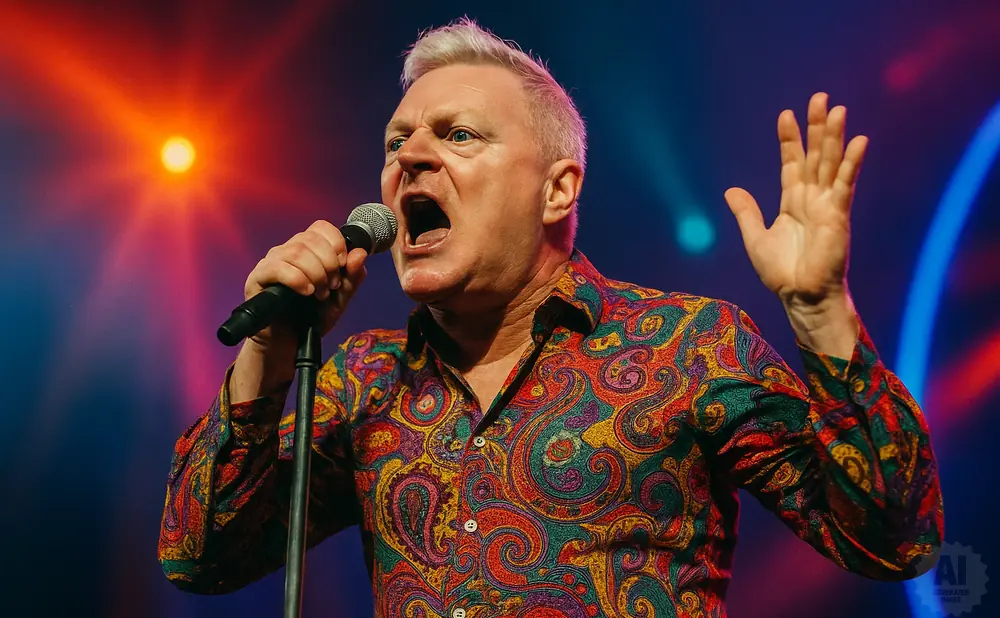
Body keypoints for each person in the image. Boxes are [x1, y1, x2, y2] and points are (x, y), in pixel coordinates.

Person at [158, 17, 944, 618]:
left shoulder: (687, 347)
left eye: (457, 135)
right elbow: (200, 557)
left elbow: (892, 539)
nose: (410, 158)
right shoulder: (364, 377)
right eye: (398, 140)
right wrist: (267, 350)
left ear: (557, 190)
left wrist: (819, 312)